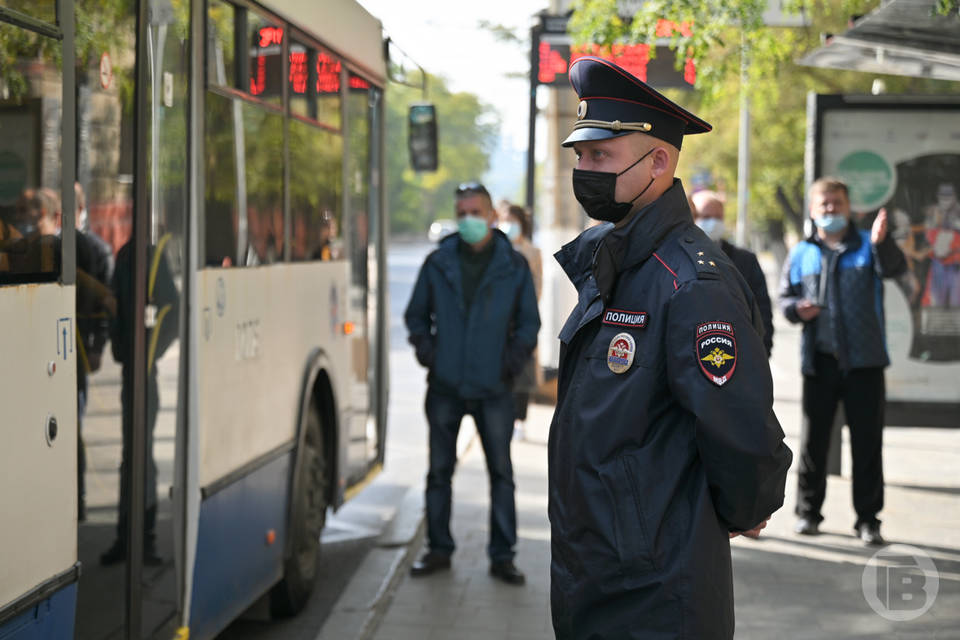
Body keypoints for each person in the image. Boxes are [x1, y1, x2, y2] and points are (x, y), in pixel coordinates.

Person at [548, 56, 792, 639]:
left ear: (658, 160)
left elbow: (739, 424)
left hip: (655, 586)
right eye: (580, 156)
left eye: (600, 156)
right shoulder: (616, 260)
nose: (584, 169)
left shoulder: (689, 280)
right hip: (595, 570)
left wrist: (747, 506)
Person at [404, 181, 540, 586]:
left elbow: (529, 325)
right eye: (461, 213)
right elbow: (416, 318)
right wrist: (432, 356)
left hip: (494, 389)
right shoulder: (438, 262)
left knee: (501, 473)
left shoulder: (512, 264)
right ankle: (438, 550)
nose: (468, 220)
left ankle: (503, 557)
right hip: (445, 386)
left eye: (475, 213)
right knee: (438, 473)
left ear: (491, 216)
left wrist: (508, 366)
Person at [779, 177, 906, 546]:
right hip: (819, 363)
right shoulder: (803, 252)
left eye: (837, 203)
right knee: (813, 443)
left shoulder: (869, 246)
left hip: (865, 364)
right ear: (813, 210)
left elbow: (894, 269)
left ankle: (868, 520)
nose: (831, 210)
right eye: (824, 204)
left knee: (867, 444)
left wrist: (884, 243)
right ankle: (807, 513)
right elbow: (784, 299)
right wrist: (796, 310)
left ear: (849, 207)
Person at [691, 190, 774, 356]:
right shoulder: (677, 258)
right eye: (705, 217)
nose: (712, 222)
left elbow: (762, 308)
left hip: (740, 353)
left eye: (717, 217)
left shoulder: (745, 260)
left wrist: (762, 351)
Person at [498, 203, 542, 440]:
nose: (508, 225)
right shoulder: (495, 249)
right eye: (504, 220)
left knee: (522, 372)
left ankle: (520, 421)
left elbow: (537, 288)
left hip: (521, 322)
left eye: (512, 221)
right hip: (498, 324)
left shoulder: (532, 253)